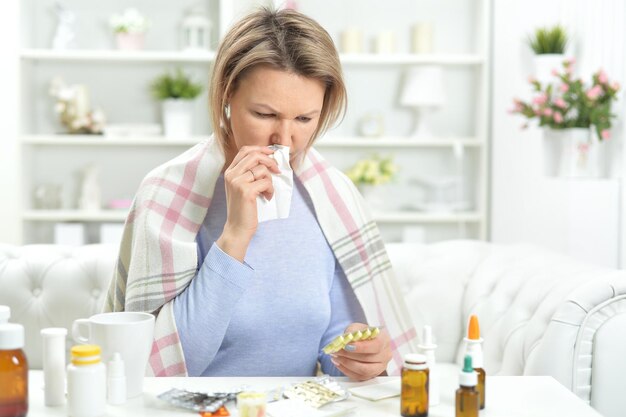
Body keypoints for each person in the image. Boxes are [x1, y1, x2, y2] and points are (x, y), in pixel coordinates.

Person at [103, 7, 418, 380]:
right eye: (265, 114)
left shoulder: (331, 196)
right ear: (227, 95)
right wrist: (236, 235)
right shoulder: (166, 195)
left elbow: (332, 346)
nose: (285, 140)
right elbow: (164, 367)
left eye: (304, 119)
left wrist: (360, 355)